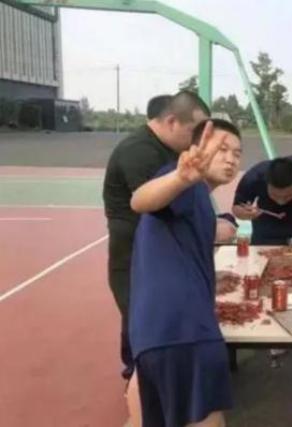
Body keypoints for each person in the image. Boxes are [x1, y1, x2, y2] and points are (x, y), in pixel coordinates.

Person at [129, 118, 242, 427]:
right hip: (186, 332)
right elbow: (140, 200)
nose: (231, 159)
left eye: (237, 153)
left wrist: (209, 278)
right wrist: (180, 178)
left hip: (153, 332)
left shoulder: (200, 198)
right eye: (221, 149)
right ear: (195, 149)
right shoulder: (187, 185)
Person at [103, 90, 210, 380]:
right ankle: (138, 380)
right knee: (143, 323)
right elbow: (157, 203)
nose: (196, 141)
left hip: (159, 252)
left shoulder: (169, 149)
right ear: (172, 121)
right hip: (133, 255)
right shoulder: (140, 151)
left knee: (155, 320)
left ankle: (151, 378)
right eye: (193, 131)